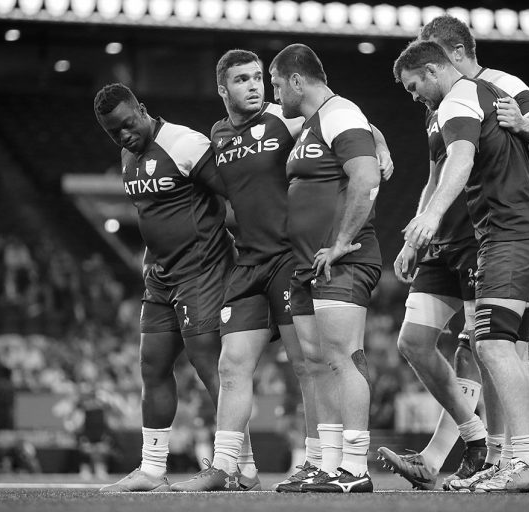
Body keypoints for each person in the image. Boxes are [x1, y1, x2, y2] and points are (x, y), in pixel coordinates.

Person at [381, 14, 529, 492]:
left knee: (499, 348)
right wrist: (420, 233)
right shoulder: (445, 104)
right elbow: (440, 171)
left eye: (418, 80)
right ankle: (521, 459)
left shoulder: (495, 88)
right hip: (474, 233)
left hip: (502, 232)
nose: (415, 94)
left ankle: (508, 457)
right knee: (487, 347)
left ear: (448, 56)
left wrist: (523, 123)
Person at [171, 49, 392, 492]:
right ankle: (228, 466)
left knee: (310, 363)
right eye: (242, 80)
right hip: (248, 262)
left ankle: (318, 460)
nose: (254, 87)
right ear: (222, 89)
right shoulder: (216, 135)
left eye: (259, 77)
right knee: (231, 364)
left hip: (290, 259)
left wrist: (382, 148)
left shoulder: (284, 117)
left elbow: (353, 125)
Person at [94, 83, 234, 492]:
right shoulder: (127, 155)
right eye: (113, 131)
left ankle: (237, 464)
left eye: (127, 124)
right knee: (152, 363)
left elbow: (234, 197)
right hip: (159, 275)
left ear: (142, 108)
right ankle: (152, 468)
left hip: (202, 270)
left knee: (208, 362)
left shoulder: (186, 143)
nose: (123, 135)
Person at [266, 43, 382, 493]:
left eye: (277, 85)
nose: (275, 95)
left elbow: (366, 177)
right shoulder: (316, 123)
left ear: (297, 80)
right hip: (307, 264)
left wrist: (338, 244)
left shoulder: (338, 113)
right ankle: (329, 464)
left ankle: (354, 468)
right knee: (318, 363)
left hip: (342, 261)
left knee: (343, 357)